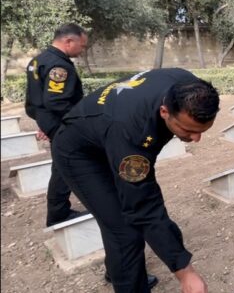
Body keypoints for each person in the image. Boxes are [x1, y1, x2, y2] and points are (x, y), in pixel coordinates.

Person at [52, 68, 216, 293]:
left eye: (203, 131)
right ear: (165, 111)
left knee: (123, 218)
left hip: (107, 133)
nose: (196, 138)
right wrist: (185, 272)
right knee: (124, 230)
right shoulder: (133, 130)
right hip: (80, 153)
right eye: (188, 130)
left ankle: (117, 270)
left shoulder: (190, 88)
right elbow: (144, 206)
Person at [24, 23, 89, 227]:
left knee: (62, 166)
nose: (83, 50)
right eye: (82, 45)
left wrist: (44, 122)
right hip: (62, 124)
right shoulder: (59, 66)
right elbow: (57, 101)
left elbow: (36, 102)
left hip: (50, 121)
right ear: (68, 41)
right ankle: (58, 213)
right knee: (65, 167)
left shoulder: (37, 60)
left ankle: (58, 211)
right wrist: (80, 122)